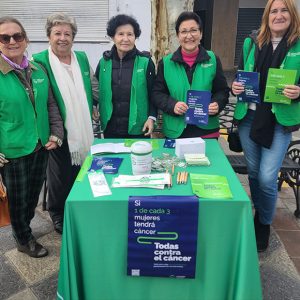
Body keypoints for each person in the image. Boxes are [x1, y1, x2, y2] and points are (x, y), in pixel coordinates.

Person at [232, 0, 300, 252]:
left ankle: (264, 222)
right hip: (249, 118)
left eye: (284, 10)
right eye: (274, 11)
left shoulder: (298, 45)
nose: (279, 15)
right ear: (266, 16)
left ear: (292, 15)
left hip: (278, 121)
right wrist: (235, 87)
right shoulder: (252, 42)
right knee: (253, 173)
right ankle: (259, 213)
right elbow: (241, 74)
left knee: (267, 177)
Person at [0, 17, 64, 257]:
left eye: (17, 36)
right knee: (17, 200)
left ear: (25, 40)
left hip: (40, 145)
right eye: (4, 38)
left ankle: (23, 229)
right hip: (12, 150)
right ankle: (23, 239)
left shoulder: (37, 69)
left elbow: (50, 105)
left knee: (31, 196)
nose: (12, 41)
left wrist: (57, 133)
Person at [33, 13, 98, 234]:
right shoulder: (39, 61)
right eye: (57, 33)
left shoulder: (81, 57)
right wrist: (52, 130)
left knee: (82, 170)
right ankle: (57, 213)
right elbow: (42, 99)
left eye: (67, 34)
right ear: (48, 36)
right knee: (60, 175)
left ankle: (78, 206)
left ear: (73, 37)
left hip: (84, 126)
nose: (62, 38)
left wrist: (96, 106)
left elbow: (92, 86)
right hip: (58, 130)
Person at [151, 11, 229, 139]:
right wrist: (172, 105)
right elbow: (157, 93)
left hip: (207, 130)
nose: (189, 36)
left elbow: (222, 91)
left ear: (201, 33)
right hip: (176, 131)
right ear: (177, 35)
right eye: (184, 31)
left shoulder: (213, 59)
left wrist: (217, 104)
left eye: (193, 30)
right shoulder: (165, 63)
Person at [95, 14, 156, 138]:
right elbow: (95, 89)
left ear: (135, 37)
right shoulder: (104, 63)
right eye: (120, 34)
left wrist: (151, 117)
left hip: (139, 127)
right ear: (113, 37)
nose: (125, 39)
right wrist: (93, 106)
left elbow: (154, 93)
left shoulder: (145, 62)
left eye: (130, 34)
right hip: (110, 128)